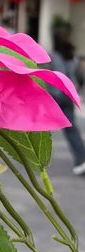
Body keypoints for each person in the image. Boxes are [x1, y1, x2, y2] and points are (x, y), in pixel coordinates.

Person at [49, 35, 85, 175]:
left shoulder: (52, 56)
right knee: (72, 129)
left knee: (41, 124)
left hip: (56, 96)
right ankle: (80, 157)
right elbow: (81, 78)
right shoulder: (74, 59)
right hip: (69, 96)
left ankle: (81, 159)